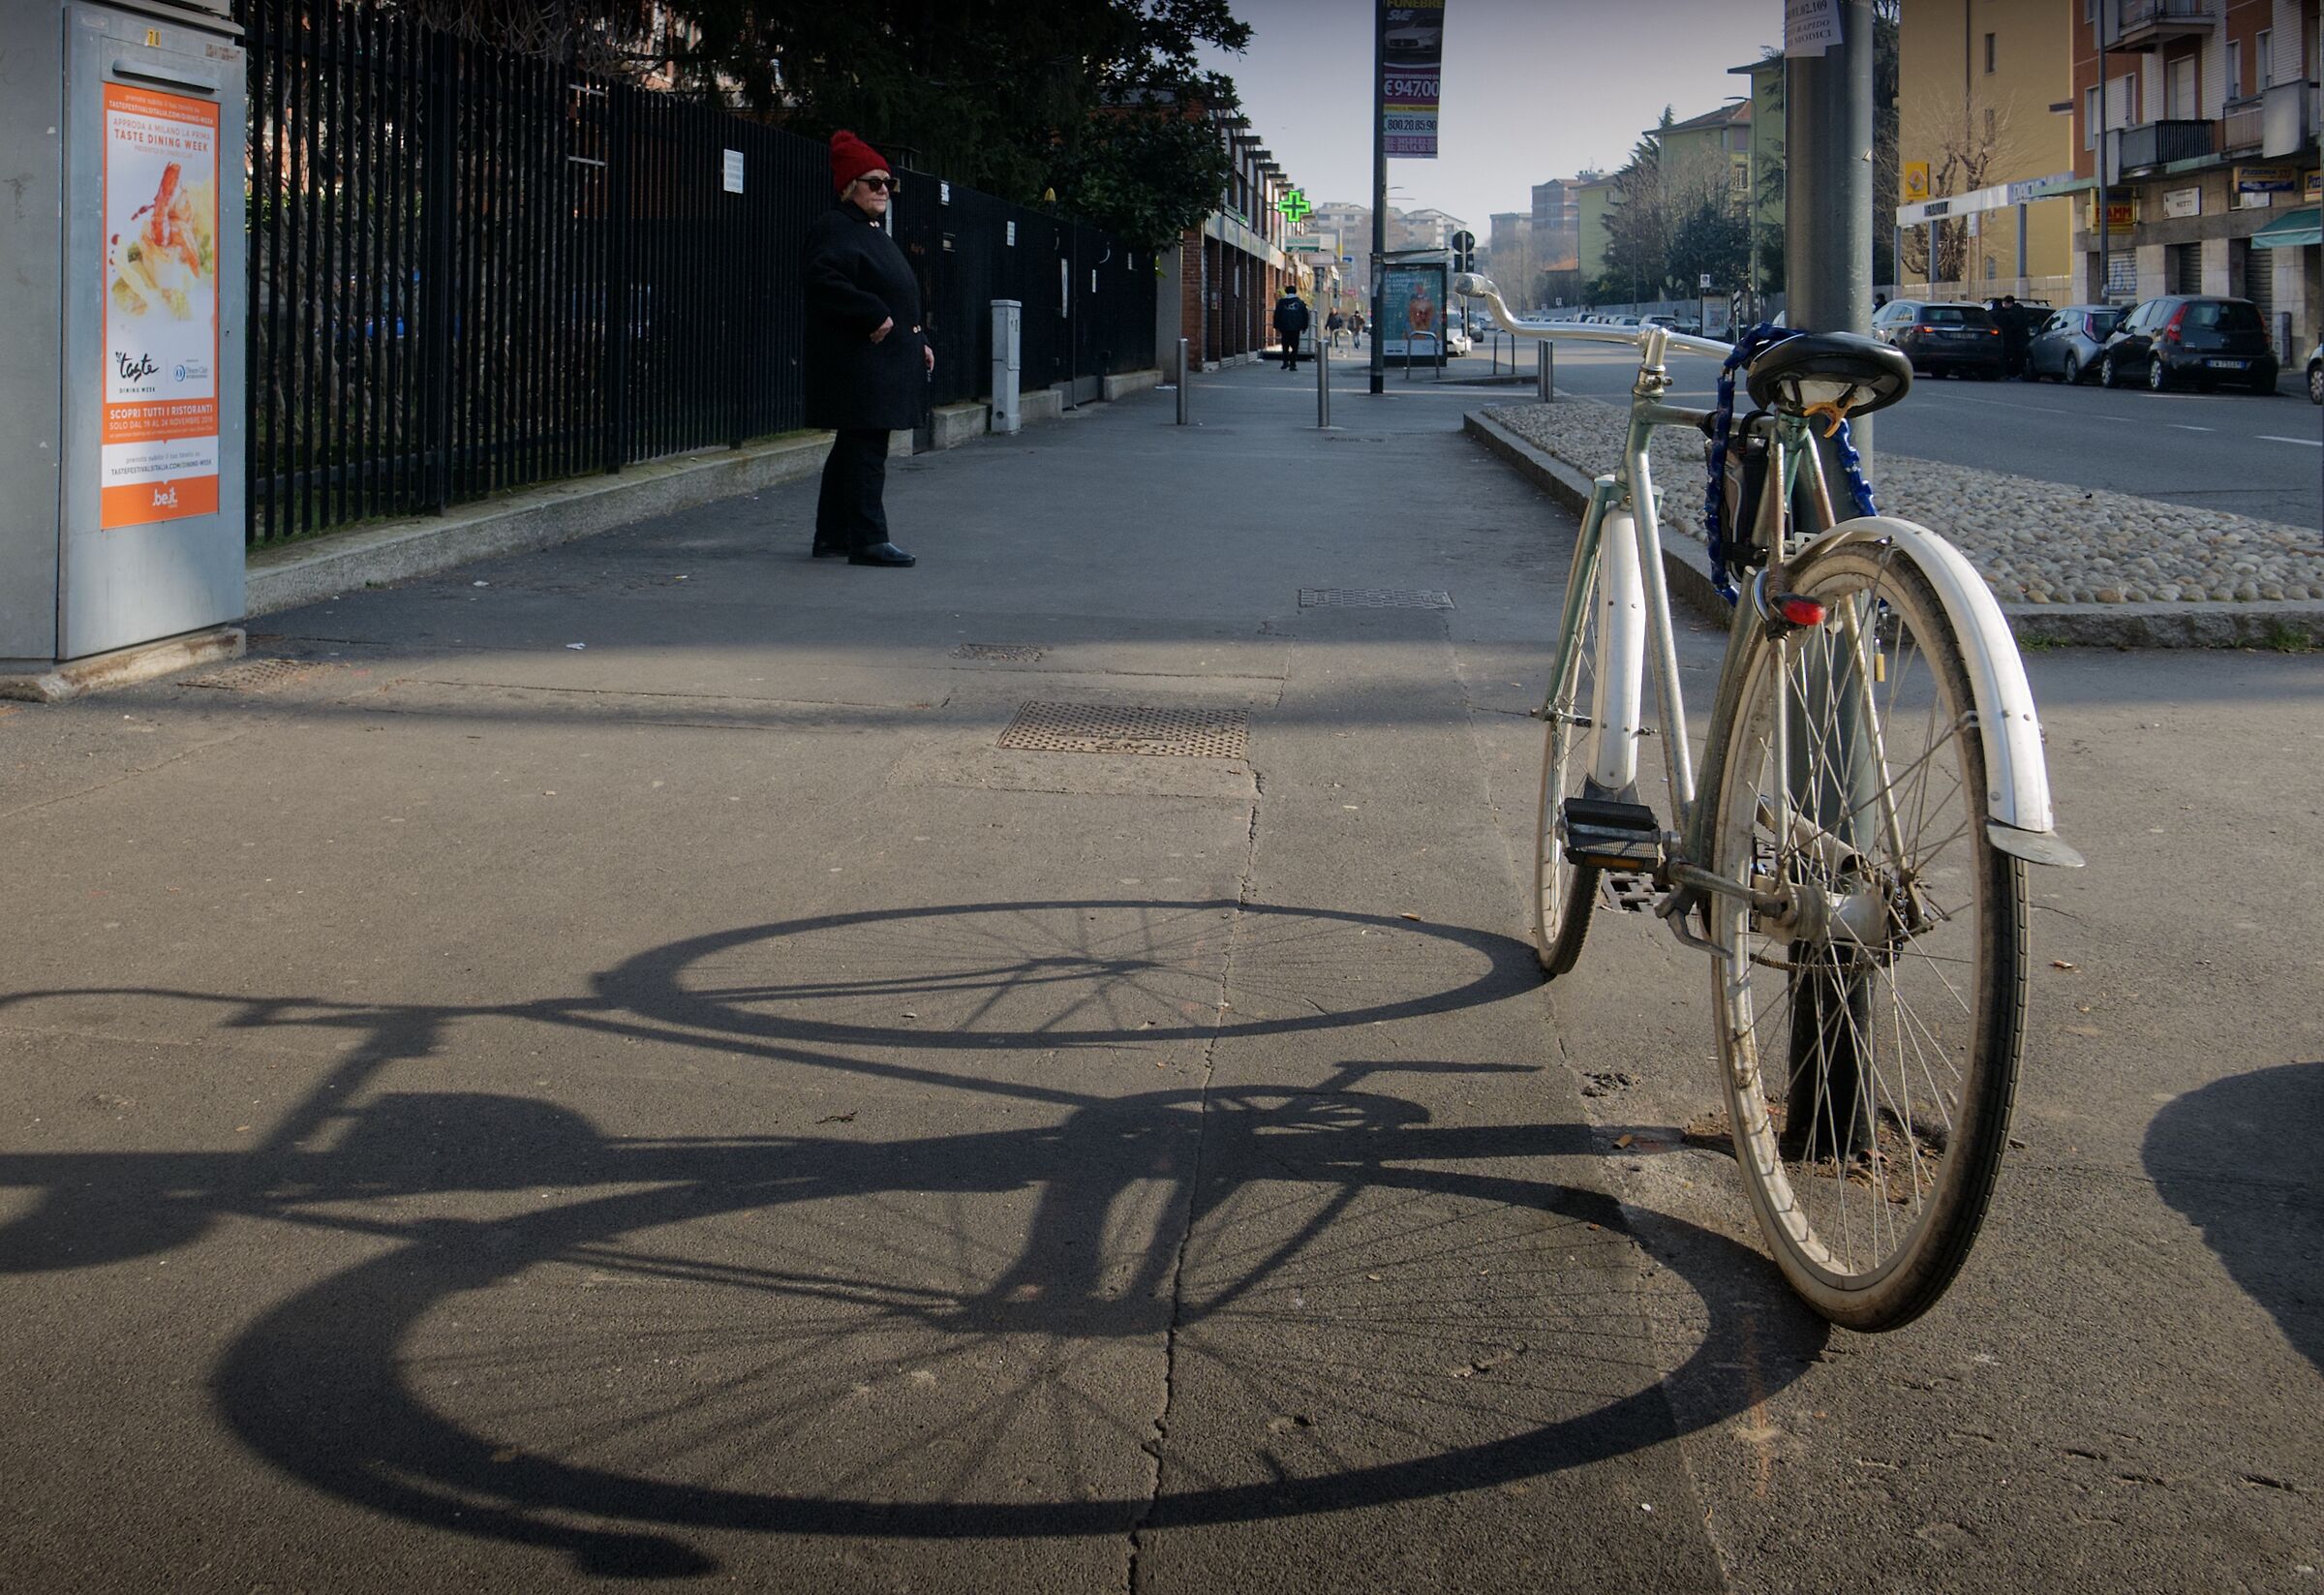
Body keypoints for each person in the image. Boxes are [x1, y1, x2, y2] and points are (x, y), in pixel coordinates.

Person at [802, 129, 933, 567]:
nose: (883, 190)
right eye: (872, 182)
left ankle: (833, 535)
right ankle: (868, 539)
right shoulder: (836, 227)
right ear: (848, 186)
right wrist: (872, 312)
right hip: (859, 361)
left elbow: (895, 291)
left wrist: (918, 341)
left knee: (852, 448)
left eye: (887, 183)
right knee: (867, 450)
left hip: (879, 358)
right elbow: (823, 280)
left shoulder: (868, 229)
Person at [1272, 287, 1311, 370]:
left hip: (1284, 327)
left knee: (1285, 346)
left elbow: (1277, 314)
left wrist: (1276, 326)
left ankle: (1285, 362)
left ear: (1286, 292)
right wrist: (1304, 326)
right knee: (1295, 346)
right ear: (1295, 292)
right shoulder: (1300, 303)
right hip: (1296, 328)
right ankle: (1293, 364)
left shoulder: (1282, 302)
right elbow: (1305, 315)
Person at [1998, 294, 2031, 380]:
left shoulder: (2012, 313)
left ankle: (2012, 374)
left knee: (2012, 357)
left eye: (2004, 303)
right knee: (2020, 357)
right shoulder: (2021, 310)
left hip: (2015, 339)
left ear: (2008, 303)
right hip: (2022, 339)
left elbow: (2014, 326)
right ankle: (2019, 373)